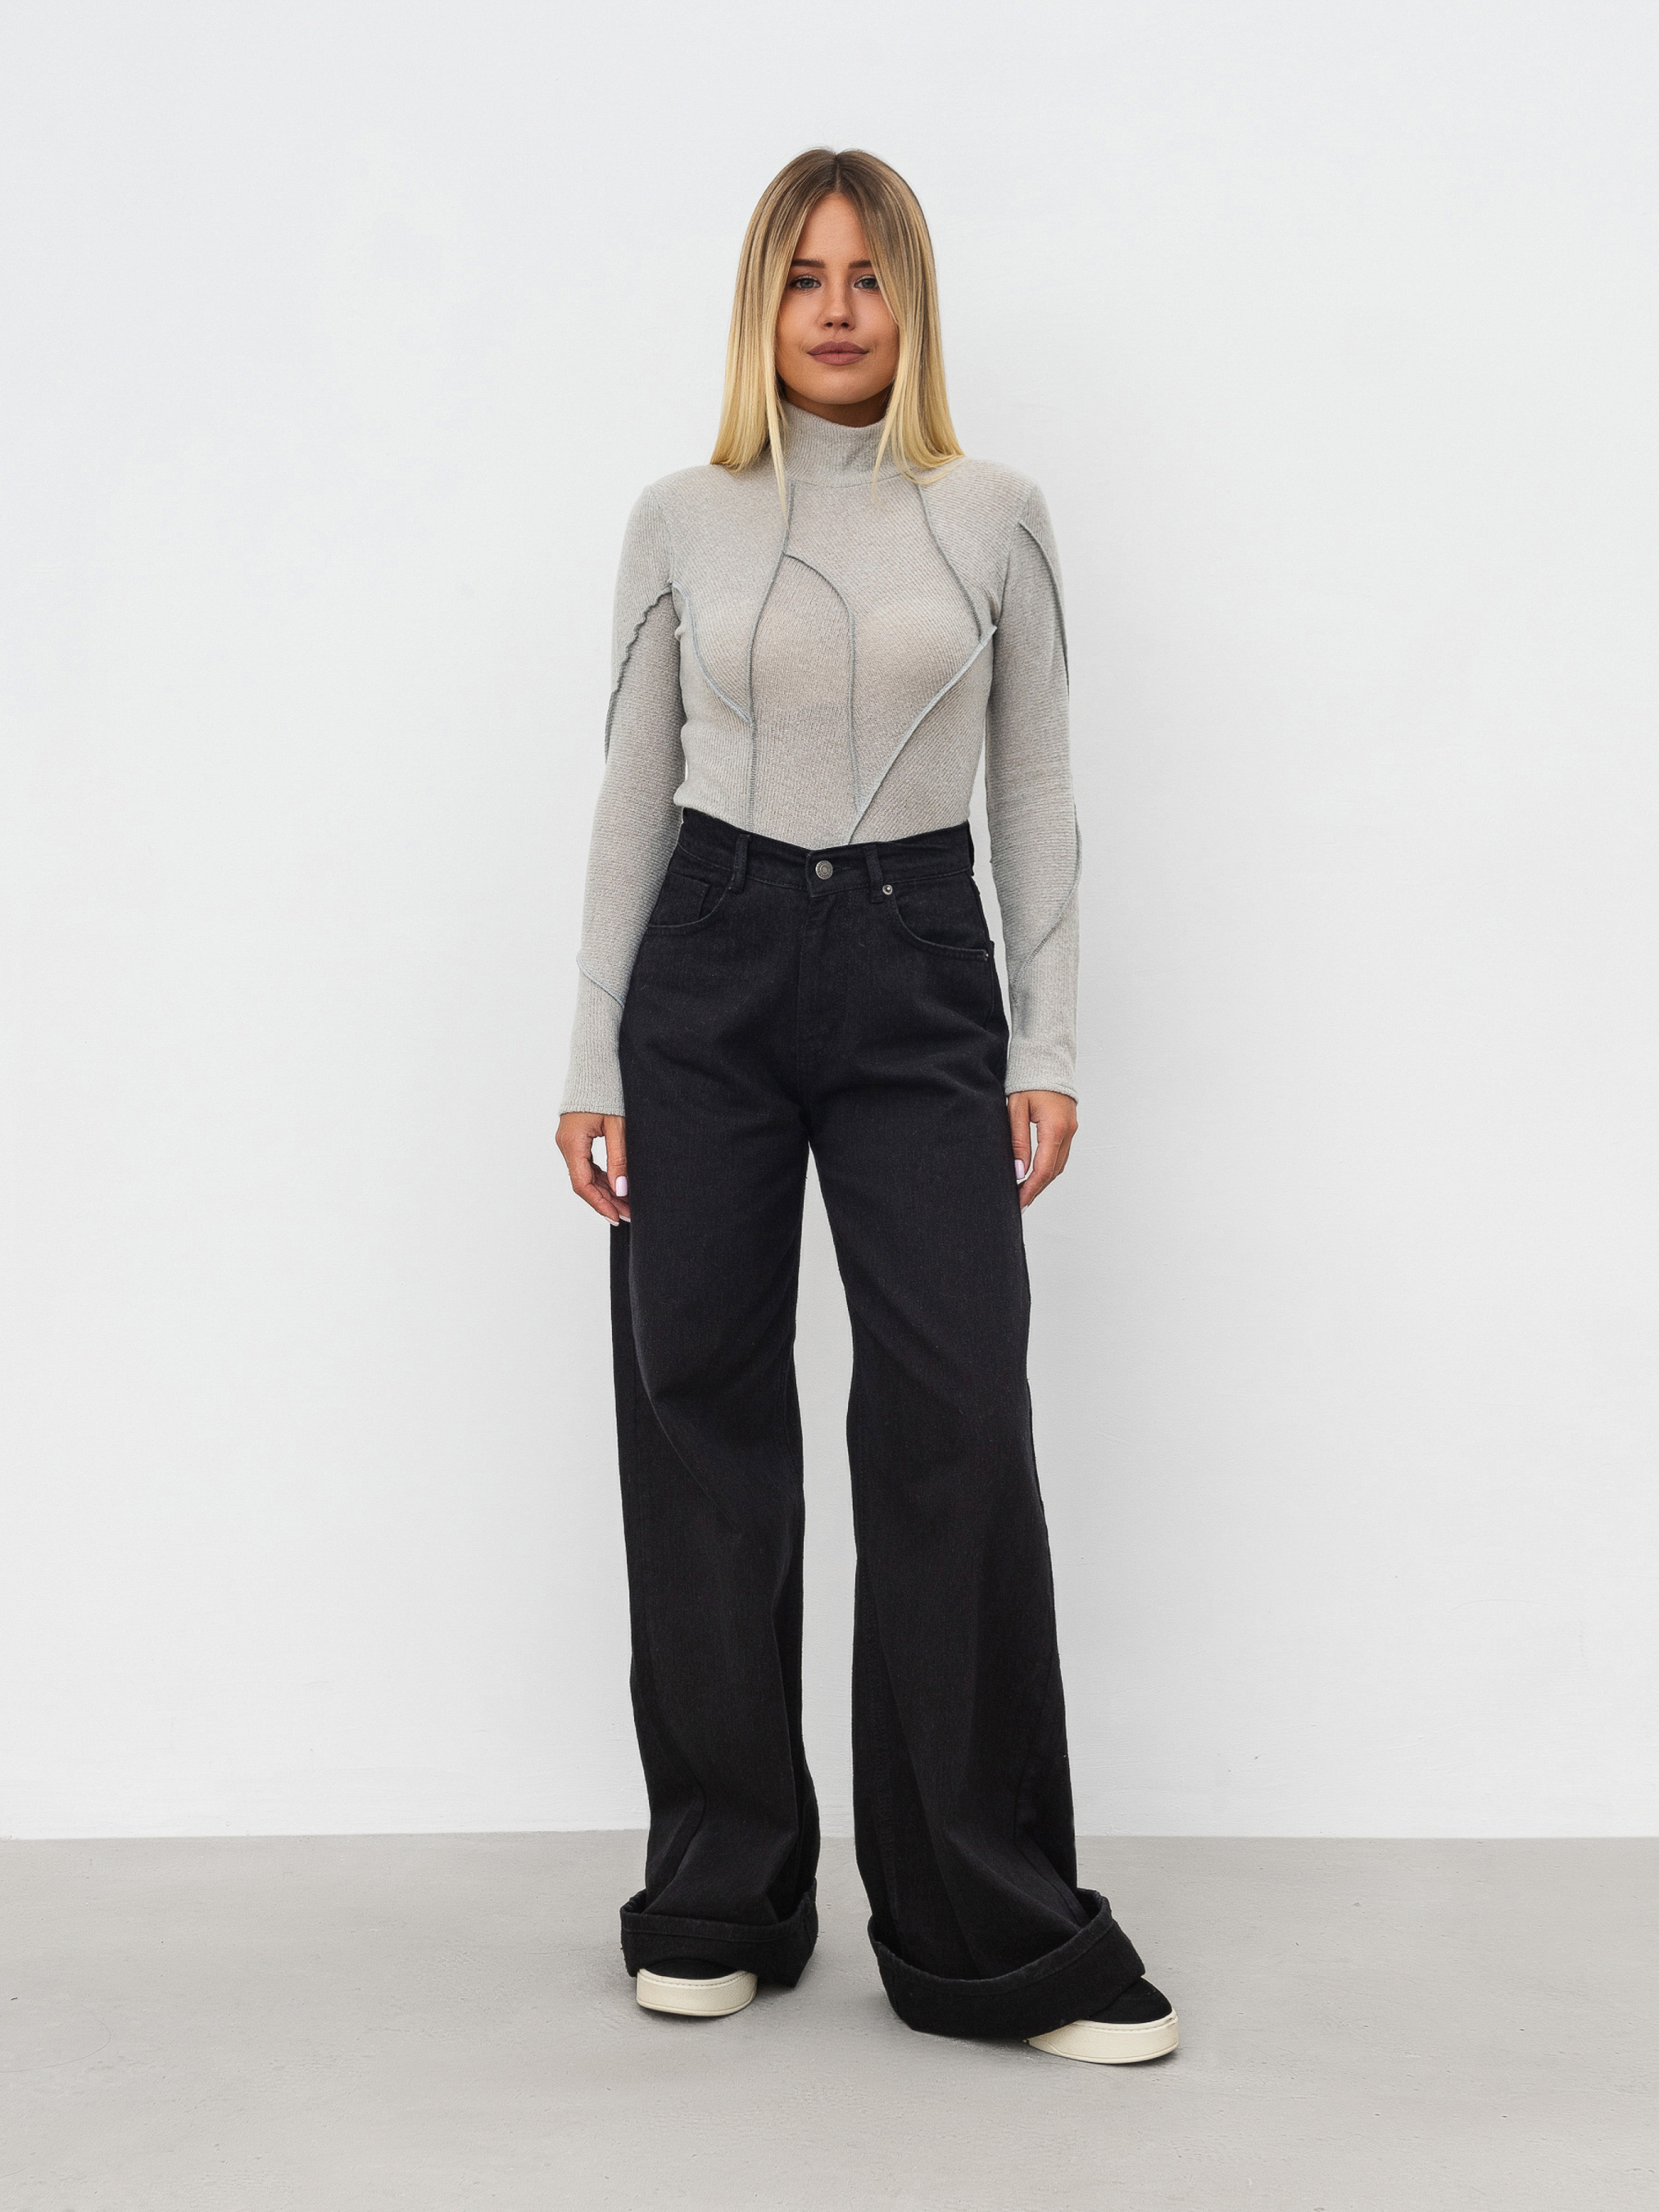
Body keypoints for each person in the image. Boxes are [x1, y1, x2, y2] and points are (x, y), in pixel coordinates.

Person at [555, 147, 1176, 2065]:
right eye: (803, 276)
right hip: (709, 964)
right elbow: (632, 786)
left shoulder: (992, 513)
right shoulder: (680, 516)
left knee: (952, 1417)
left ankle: (983, 1926)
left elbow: (1035, 788)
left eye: (869, 275)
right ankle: (720, 1889)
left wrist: (1043, 1045)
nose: (835, 309)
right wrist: (590, 1054)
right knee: (700, 1421)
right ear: (761, 304)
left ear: (912, 304)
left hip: (916, 968)